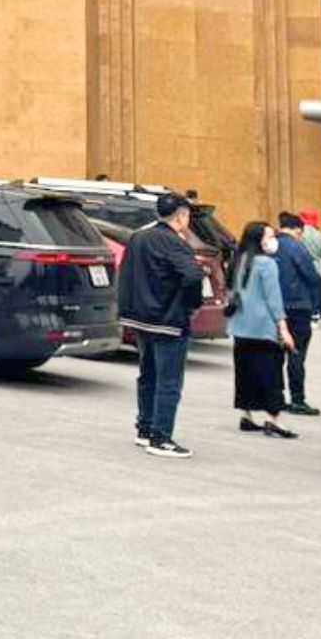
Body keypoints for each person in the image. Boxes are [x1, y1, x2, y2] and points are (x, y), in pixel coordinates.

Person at [118, 191, 203, 457]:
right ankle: (161, 437)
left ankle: (145, 428)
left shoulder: (138, 236)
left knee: (148, 374)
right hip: (167, 319)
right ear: (181, 216)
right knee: (169, 380)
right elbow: (192, 276)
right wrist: (191, 305)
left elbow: (126, 272)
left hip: (141, 318)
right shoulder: (173, 242)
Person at [228, 221, 299, 440]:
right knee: (271, 375)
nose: (273, 240)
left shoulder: (238, 260)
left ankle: (247, 415)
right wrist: (283, 328)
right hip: (263, 328)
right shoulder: (267, 264)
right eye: (269, 236)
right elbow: (273, 299)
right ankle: (272, 419)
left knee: (245, 371)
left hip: (240, 326)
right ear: (259, 239)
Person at [272, 211, 321, 416]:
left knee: (276, 354)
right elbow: (312, 277)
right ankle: (298, 399)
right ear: (297, 230)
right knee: (296, 354)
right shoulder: (297, 247)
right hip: (298, 307)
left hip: (275, 308)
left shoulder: (270, 245)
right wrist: (316, 305)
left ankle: (277, 396)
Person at [299, 210, 321, 318]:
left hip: (303, 264)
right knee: (318, 289)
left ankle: (308, 310)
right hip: (318, 265)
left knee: (305, 288)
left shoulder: (300, 233)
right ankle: (319, 311)